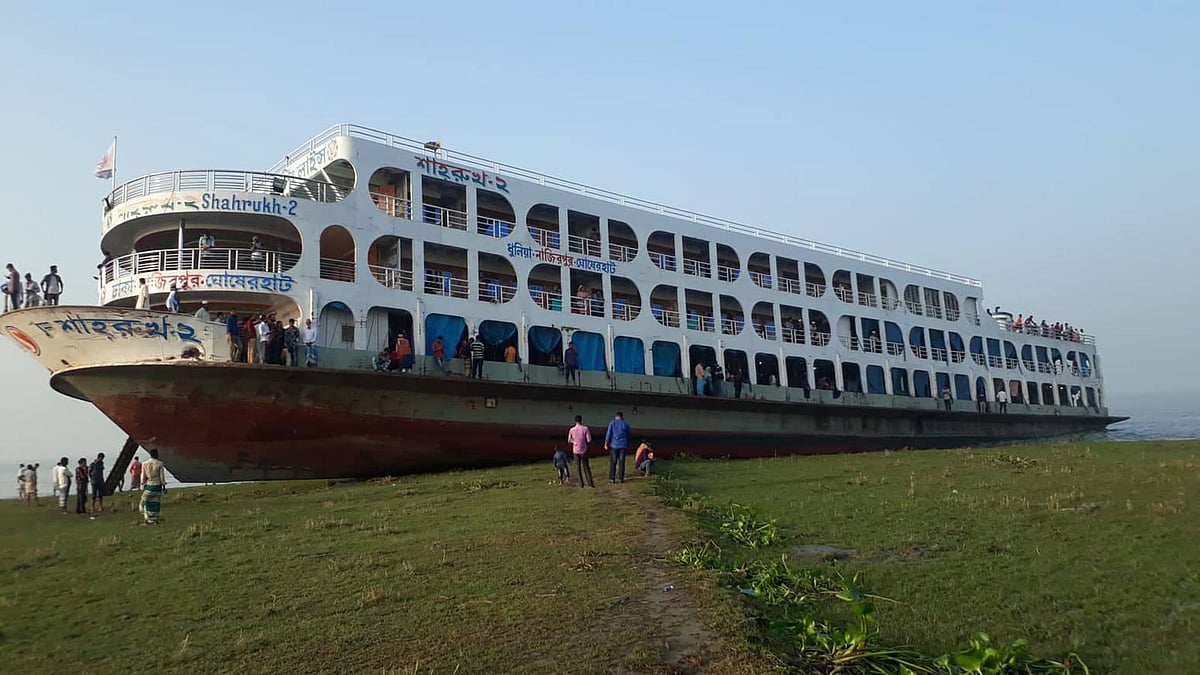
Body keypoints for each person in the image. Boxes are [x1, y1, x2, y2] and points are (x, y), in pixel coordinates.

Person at [140, 448, 167, 524]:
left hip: (149, 485)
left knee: (146, 502)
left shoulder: (144, 464)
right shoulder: (160, 464)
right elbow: (162, 477)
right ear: (156, 454)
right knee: (156, 503)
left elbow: (143, 476)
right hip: (157, 486)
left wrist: (143, 484)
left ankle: (147, 518)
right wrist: (164, 487)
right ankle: (155, 519)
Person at [567, 414, 594, 489]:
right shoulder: (585, 428)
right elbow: (589, 440)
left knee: (578, 468)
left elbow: (569, 440)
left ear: (575, 421)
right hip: (583, 450)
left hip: (575, 450)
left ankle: (581, 484)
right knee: (586, 467)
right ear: (581, 420)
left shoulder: (571, 430)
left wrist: (574, 442)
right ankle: (590, 483)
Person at [604, 411, 632, 484]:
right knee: (622, 462)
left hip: (614, 445)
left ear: (615, 416)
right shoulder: (626, 424)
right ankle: (621, 478)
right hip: (623, 445)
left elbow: (609, 433)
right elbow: (629, 433)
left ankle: (612, 478)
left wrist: (606, 443)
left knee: (613, 462)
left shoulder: (612, 423)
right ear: (622, 417)